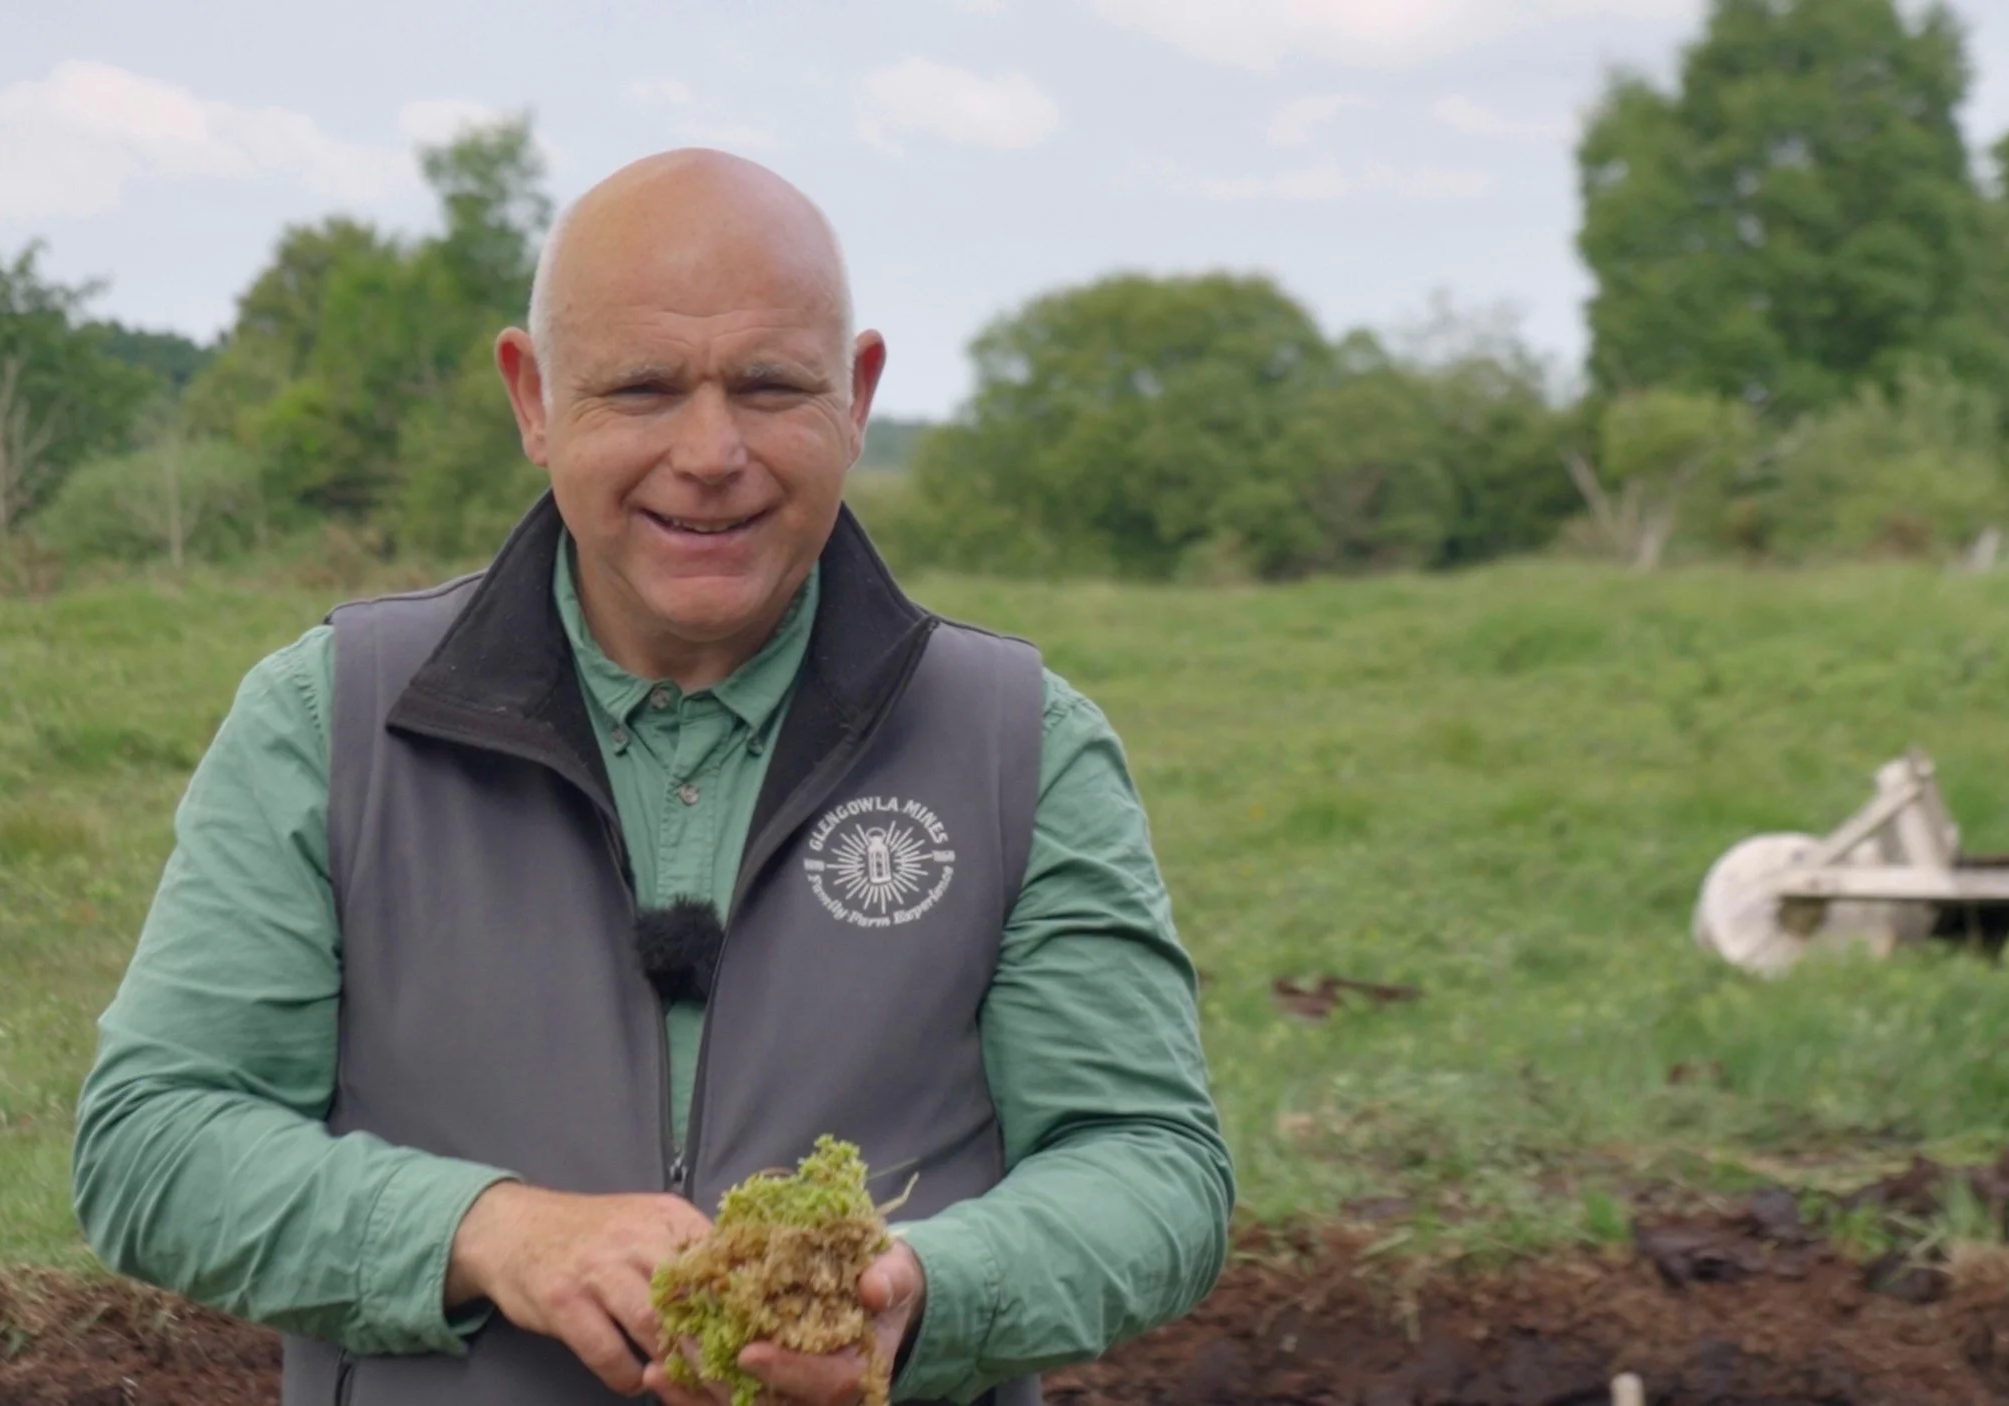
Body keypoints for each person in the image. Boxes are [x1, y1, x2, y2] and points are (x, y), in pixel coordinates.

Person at [72, 148, 1232, 1406]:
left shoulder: (1021, 745)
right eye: (641, 388)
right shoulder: (331, 721)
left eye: (771, 385)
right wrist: (492, 1232)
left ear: (857, 393)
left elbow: (1149, 1162)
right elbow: (155, 1138)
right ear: (533, 398)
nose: (710, 450)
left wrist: (929, 1293)